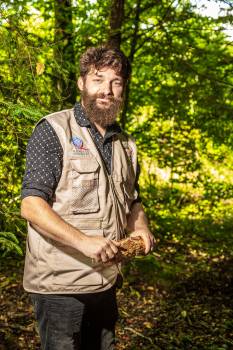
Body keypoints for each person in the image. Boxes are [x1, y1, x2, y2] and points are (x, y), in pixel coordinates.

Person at [21, 46, 155, 350]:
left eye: (115, 82)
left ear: (123, 88)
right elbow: (31, 205)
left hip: (105, 282)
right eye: (98, 79)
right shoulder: (53, 130)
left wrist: (141, 227)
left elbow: (132, 201)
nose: (106, 90)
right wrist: (85, 242)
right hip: (60, 285)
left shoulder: (126, 144)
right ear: (82, 83)